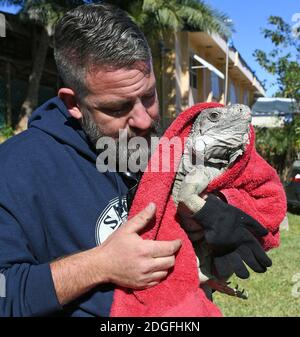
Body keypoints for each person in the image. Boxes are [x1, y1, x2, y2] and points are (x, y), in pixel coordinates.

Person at [0, 3, 182, 317]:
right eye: (117, 108)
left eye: (149, 96)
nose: (143, 119)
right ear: (73, 103)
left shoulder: (152, 145)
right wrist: (100, 266)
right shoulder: (15, 168)